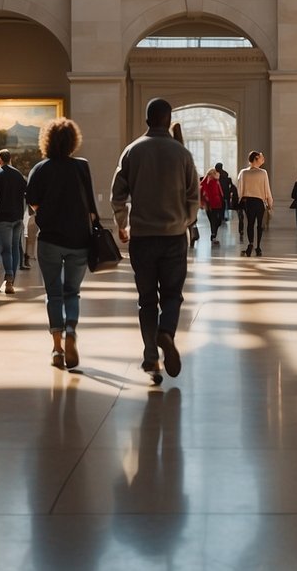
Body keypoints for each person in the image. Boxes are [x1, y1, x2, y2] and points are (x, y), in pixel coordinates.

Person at [111, 98, 199, 382]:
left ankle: (151, 359)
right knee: (172, 294)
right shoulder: (182, 153)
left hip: (143, 236)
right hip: (173, 236)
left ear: (147, 120)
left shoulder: (132, 151)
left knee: (146, 299)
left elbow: (118, 194)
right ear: (168, 119)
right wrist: (184, 221)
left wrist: (122, 224)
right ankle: (166, 332)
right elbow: (193, 197)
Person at [26, 117, 98, 370]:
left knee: (53, 293)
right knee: (72, 292)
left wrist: (48, 212)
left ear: (46, 141)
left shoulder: (40, 169)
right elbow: (91, 206)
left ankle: (57, 348)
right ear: (73, 141)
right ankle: (71, 331)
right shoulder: (82, 167)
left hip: (50, 240)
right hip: (79, 239)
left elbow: (33, 203)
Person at [0, 148, 27, 295]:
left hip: (2, 218)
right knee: (15, 248)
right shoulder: (19, 175)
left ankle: (5, 274)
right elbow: (25, 194)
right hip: (18, 218)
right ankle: (10, 282)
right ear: (10, 159)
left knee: (5, 249)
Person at [236, 151, 273, 258]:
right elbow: (267, 190)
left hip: (248, 202)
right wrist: (270, 203)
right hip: (259, 202)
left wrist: (239, 201)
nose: (263, 160)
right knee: (259, 224)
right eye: (262, 158)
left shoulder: (243, 172)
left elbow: (240, 189)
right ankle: (258, 247)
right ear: (256, 158)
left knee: (250, 224)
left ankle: (251, 244)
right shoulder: (263, 173)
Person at [200, 168, 224, 246]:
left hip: (217, 203)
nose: (215, 174)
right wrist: (202, 202)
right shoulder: (205, 182)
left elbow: (220, 192)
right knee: (213, 220)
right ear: (210, 174)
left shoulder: (216, 181)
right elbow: (202, 193)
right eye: (213, 173)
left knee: (217, 220)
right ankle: (213, 235)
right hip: (210, 204)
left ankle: (213, 234)